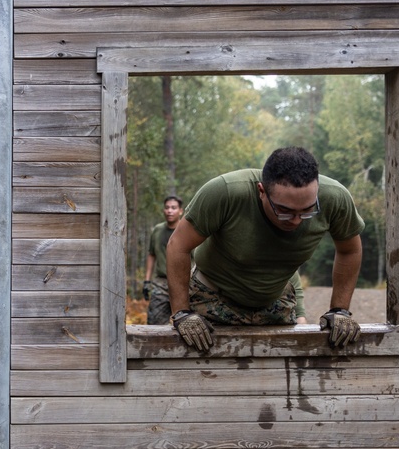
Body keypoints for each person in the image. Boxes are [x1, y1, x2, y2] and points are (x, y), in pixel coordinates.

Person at [166, 146, 363, 351]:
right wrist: (182, 313)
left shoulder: (335, 198)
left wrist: (340, 310)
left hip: (274, 300)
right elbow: (178, 245)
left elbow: (350, 249)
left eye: (307, 211)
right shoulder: (226, 192)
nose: (296, 221)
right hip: (211, 297)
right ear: (261, 191)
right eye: (284, 211)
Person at [142, 195, 183, 324]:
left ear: (180, 211)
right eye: (167, 208)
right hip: (161, 282)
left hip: (184, 283)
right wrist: (147, 280)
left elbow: (198, 259)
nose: (169, 211)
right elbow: (152, 254)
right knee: (154, 322)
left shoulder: (187, 230)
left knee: (187, 321)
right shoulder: (157, 230)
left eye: (173, 208)